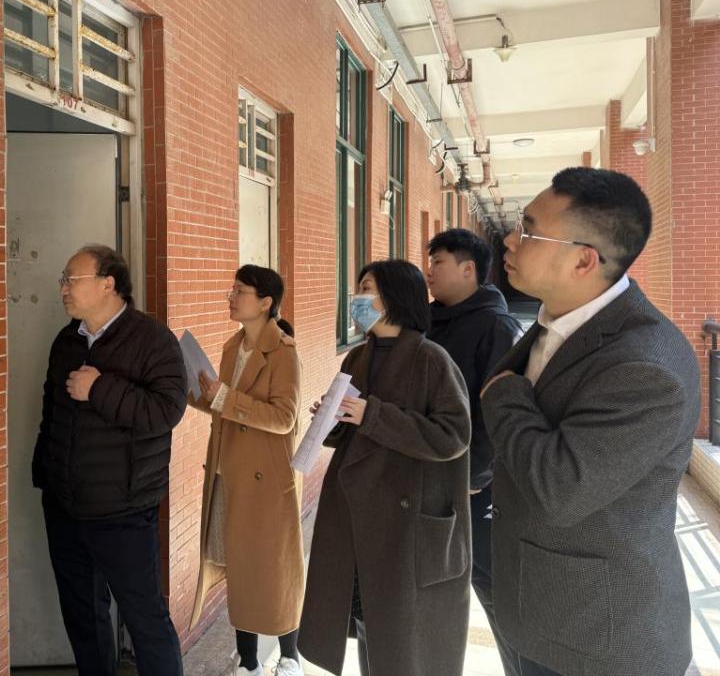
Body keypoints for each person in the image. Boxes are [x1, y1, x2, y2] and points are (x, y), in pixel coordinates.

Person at [481, 168, 700, 676]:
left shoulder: (648, 365)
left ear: (584, 260)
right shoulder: (559, 319)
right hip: (533, 610)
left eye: (529, 230)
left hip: (597, 639)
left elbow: (561, 490)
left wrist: (504, 395)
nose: (510, 240)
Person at [299, 259, 471, 676]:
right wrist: (332, 420)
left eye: (366, 288)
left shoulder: (432, 359)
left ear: (394, 296)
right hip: (355, 516)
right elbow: (354, 432)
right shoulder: (357, 357)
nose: (356, 298)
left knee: (400, 640)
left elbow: (453, 435)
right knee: (364, 622)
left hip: (405, 523)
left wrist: (371, 414)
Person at [31, 244, 186, 676]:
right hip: (65, 507)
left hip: (123, 509)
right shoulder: (67, 340)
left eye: (71, 279)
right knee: (83, 618)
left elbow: (166, 411)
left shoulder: (152, 340)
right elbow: (50, 412)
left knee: (145, 619)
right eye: (63, 280)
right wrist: (45, 475)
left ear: (108, 284)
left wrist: (100, 389)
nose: (63, 288)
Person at [189, 265, 304, 676]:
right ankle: (249, 662)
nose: (231, 298)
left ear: (266, 302)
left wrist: (224, 397)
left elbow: (284, 418)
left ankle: (289, 658)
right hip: (228, 472)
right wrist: (196, 394)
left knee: (274, 570)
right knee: (240, 568)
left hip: (266, 480)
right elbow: (227, 408)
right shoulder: (231, 347)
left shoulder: (284, 352)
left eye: (240, 291)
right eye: (232, 290)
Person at [426, 229, 523, 675]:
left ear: (468, 270)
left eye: (438, 262)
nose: (430, 272)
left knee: (493, 589)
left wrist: (473, 477)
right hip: (427, 483)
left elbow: (497, 414)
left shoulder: (497, 328)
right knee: (434, 593)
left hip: (472, 490)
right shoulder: (429, 322)